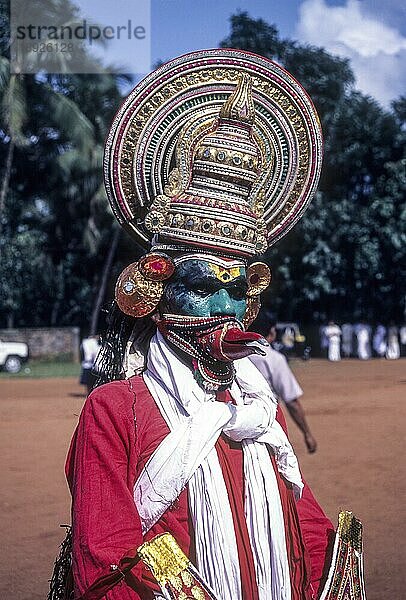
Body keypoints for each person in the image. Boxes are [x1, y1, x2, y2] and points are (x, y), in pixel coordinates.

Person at [63, 50, 360, 600]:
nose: (223, 310)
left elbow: (306, 527)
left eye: (237, 290)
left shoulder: (258, 408)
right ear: (153, 288)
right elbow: (105, 564)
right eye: (203, 288)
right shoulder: (115, 412)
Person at [250, 316, 317, 453]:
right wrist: (307, 433)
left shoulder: (231, 356)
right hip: (265, 425)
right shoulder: (273, 359)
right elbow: (291, 401)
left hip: (232, 426)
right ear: (272, 332)